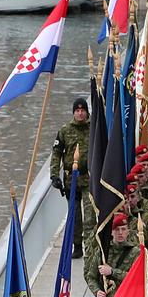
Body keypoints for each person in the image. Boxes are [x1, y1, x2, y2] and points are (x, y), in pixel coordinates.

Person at [51, 97, 90, 256]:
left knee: (89, 216)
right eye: (77, 111)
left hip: (88, 178)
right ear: (74, 112)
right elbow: (56, 153)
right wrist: (54, 175)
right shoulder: (64, 131)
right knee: (75, 216)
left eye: (83, 111)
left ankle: (90, 246)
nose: (80, 114)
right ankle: (77, 246)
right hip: (71, 180)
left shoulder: (93, 128)